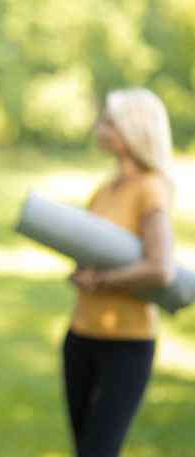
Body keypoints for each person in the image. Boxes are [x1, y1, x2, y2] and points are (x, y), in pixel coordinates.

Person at [64, 88, 176, 457]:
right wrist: (82, 273)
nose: (100, 129)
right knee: (85, 449)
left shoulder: (151, 189)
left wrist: (101, 282)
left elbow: (160, 270)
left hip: (127, 343)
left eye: (109, 122)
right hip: (82, 336)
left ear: (133, 130)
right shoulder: (104, 191)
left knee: (100, 450)